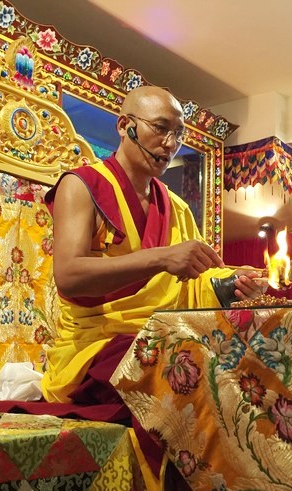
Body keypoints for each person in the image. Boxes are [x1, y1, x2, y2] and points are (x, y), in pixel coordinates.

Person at [42, 85, 265, 406]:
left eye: (179, 134)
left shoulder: (177, 208)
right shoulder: (82, 186)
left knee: (248, 361)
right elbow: (68, 275)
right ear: (124, 126)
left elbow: (198, 283)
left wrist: (233, 283)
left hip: (164, 340)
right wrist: (161, 258)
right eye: (160, 128)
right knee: (185, 369)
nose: (171, 144)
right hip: (96, 347)